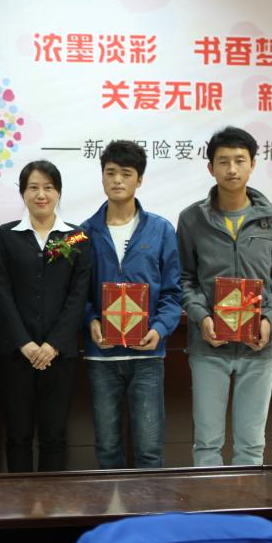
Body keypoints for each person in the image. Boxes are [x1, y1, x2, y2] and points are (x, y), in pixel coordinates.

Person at [177, 126, 272, 466]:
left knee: (251, 446)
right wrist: (202, 317)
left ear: (252, 164)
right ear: (211, 168)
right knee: (207, 444)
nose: (232, 169)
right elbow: (184, 278)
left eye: (239, 160)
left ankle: (246, 502)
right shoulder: (192, 219)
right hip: (208, 346)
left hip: (259, 346)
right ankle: (210, 502)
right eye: (223, 162)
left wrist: (269, 318)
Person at [82, 141, 181, 469]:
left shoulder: (161, 229)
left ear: (140, 179)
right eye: (110, 172)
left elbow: (173, 292)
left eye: (126, 173)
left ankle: (149, 506)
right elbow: (77, 294)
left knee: (150, 450)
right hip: (101, 357)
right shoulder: (84, 233)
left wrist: (160, 328)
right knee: (107, 449)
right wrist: (91, 320)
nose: (117, 180)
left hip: (147, 357)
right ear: (101, 177)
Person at [0, 160, 91, 473]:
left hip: (59, 355)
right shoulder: (6, 235)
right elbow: (1, 292)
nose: (41, 194)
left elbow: (78, 296)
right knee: (17, 435)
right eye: (33, 187)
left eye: (48, 187)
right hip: (15, 353)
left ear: (58, 192)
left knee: (54, 436)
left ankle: (53, 501)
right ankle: (19, 500)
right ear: (23, 193)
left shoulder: (76, 237)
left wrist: (53, 344)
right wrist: (25, 343)